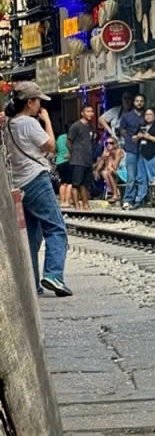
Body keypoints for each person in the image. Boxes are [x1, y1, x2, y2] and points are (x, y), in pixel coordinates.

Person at [4, 82, 72, 296]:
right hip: (36, 179)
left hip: (19, 183)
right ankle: (53, 275)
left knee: (32, 236)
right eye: (38, 101)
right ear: (30, 102)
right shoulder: (29, 123)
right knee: (56, 228)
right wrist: (47, 121)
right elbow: (50, 146)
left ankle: (31, 283)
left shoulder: (9, 124)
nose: (40, 105)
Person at [132, 107, 155, 207]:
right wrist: (137, 136)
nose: (148, 116)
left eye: (150, 114)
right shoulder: (142, 126)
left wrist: (149, 137)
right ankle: (140, 198)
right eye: (146, 114)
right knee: (141, 177)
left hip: (153, 155)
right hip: (142, 154)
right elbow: (133, 138)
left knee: (153, 177)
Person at [118, 94, 146, 209]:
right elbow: (121, 130)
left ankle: (141, 199)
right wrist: (129, 137)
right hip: (131, 149)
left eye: (141, 101)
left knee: (142, 176)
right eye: (137, 101)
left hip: (145, 149)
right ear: (134, 102)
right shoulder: (127, 116)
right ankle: (128, 199)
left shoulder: (146, 116)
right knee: (131, 176)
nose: (139, 103)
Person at [67, 106, 97, 210]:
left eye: (92, 111)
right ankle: (76, 206)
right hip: (77, 159)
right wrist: (74, 153)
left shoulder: (91, 127)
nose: (90, 113)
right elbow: (69, 141)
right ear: (82, 113)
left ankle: (85, 204)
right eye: (88, 111)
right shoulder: (76, 126)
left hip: (87, 159)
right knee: (76, 184)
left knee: (85, 184)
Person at [54, 131, 71, 205]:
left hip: (59, 161)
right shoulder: (69, 138)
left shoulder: (59, 138)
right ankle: (67, 202)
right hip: (66, 161)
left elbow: (55, 149)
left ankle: (62, 202)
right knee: (70, 183)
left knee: (62, 183)